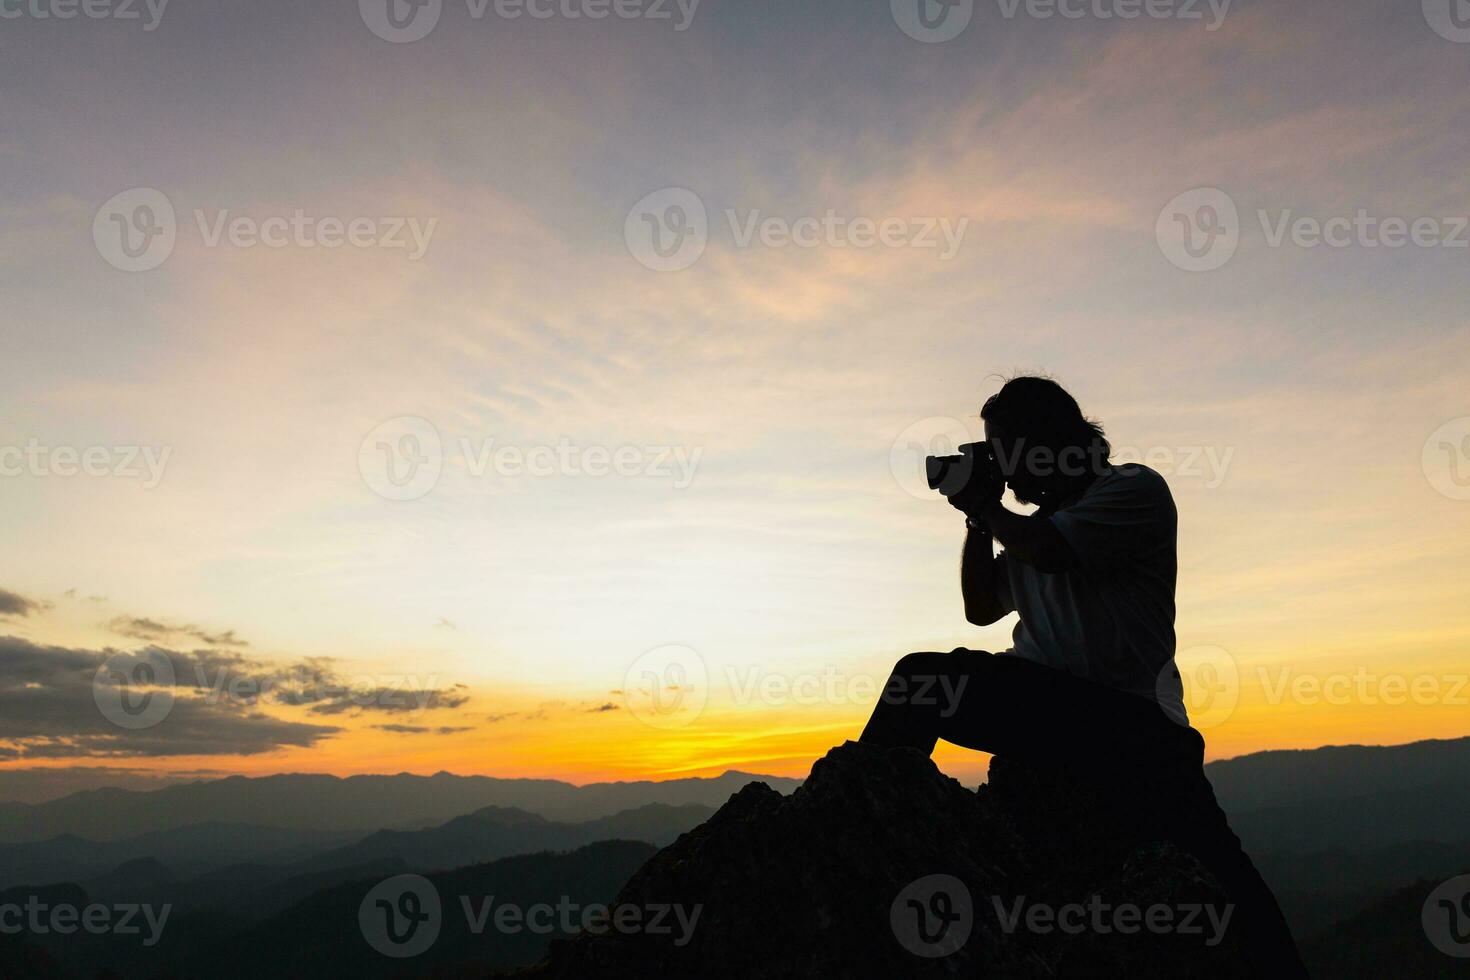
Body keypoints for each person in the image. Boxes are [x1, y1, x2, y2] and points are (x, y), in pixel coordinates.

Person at [860, 376, 1308, 976]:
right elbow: (981, 607)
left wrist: (985, 506)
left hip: (1126, 721)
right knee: (1218, 880)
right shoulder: (1034, 525)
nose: (1003, 468)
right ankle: (862, 836)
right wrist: (975, 520)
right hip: (1070, 720)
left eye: (1004, 449)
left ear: (1048, 442)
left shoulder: (1131, 490)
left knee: (1230, 892)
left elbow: (1050, 552)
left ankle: (857, 847)